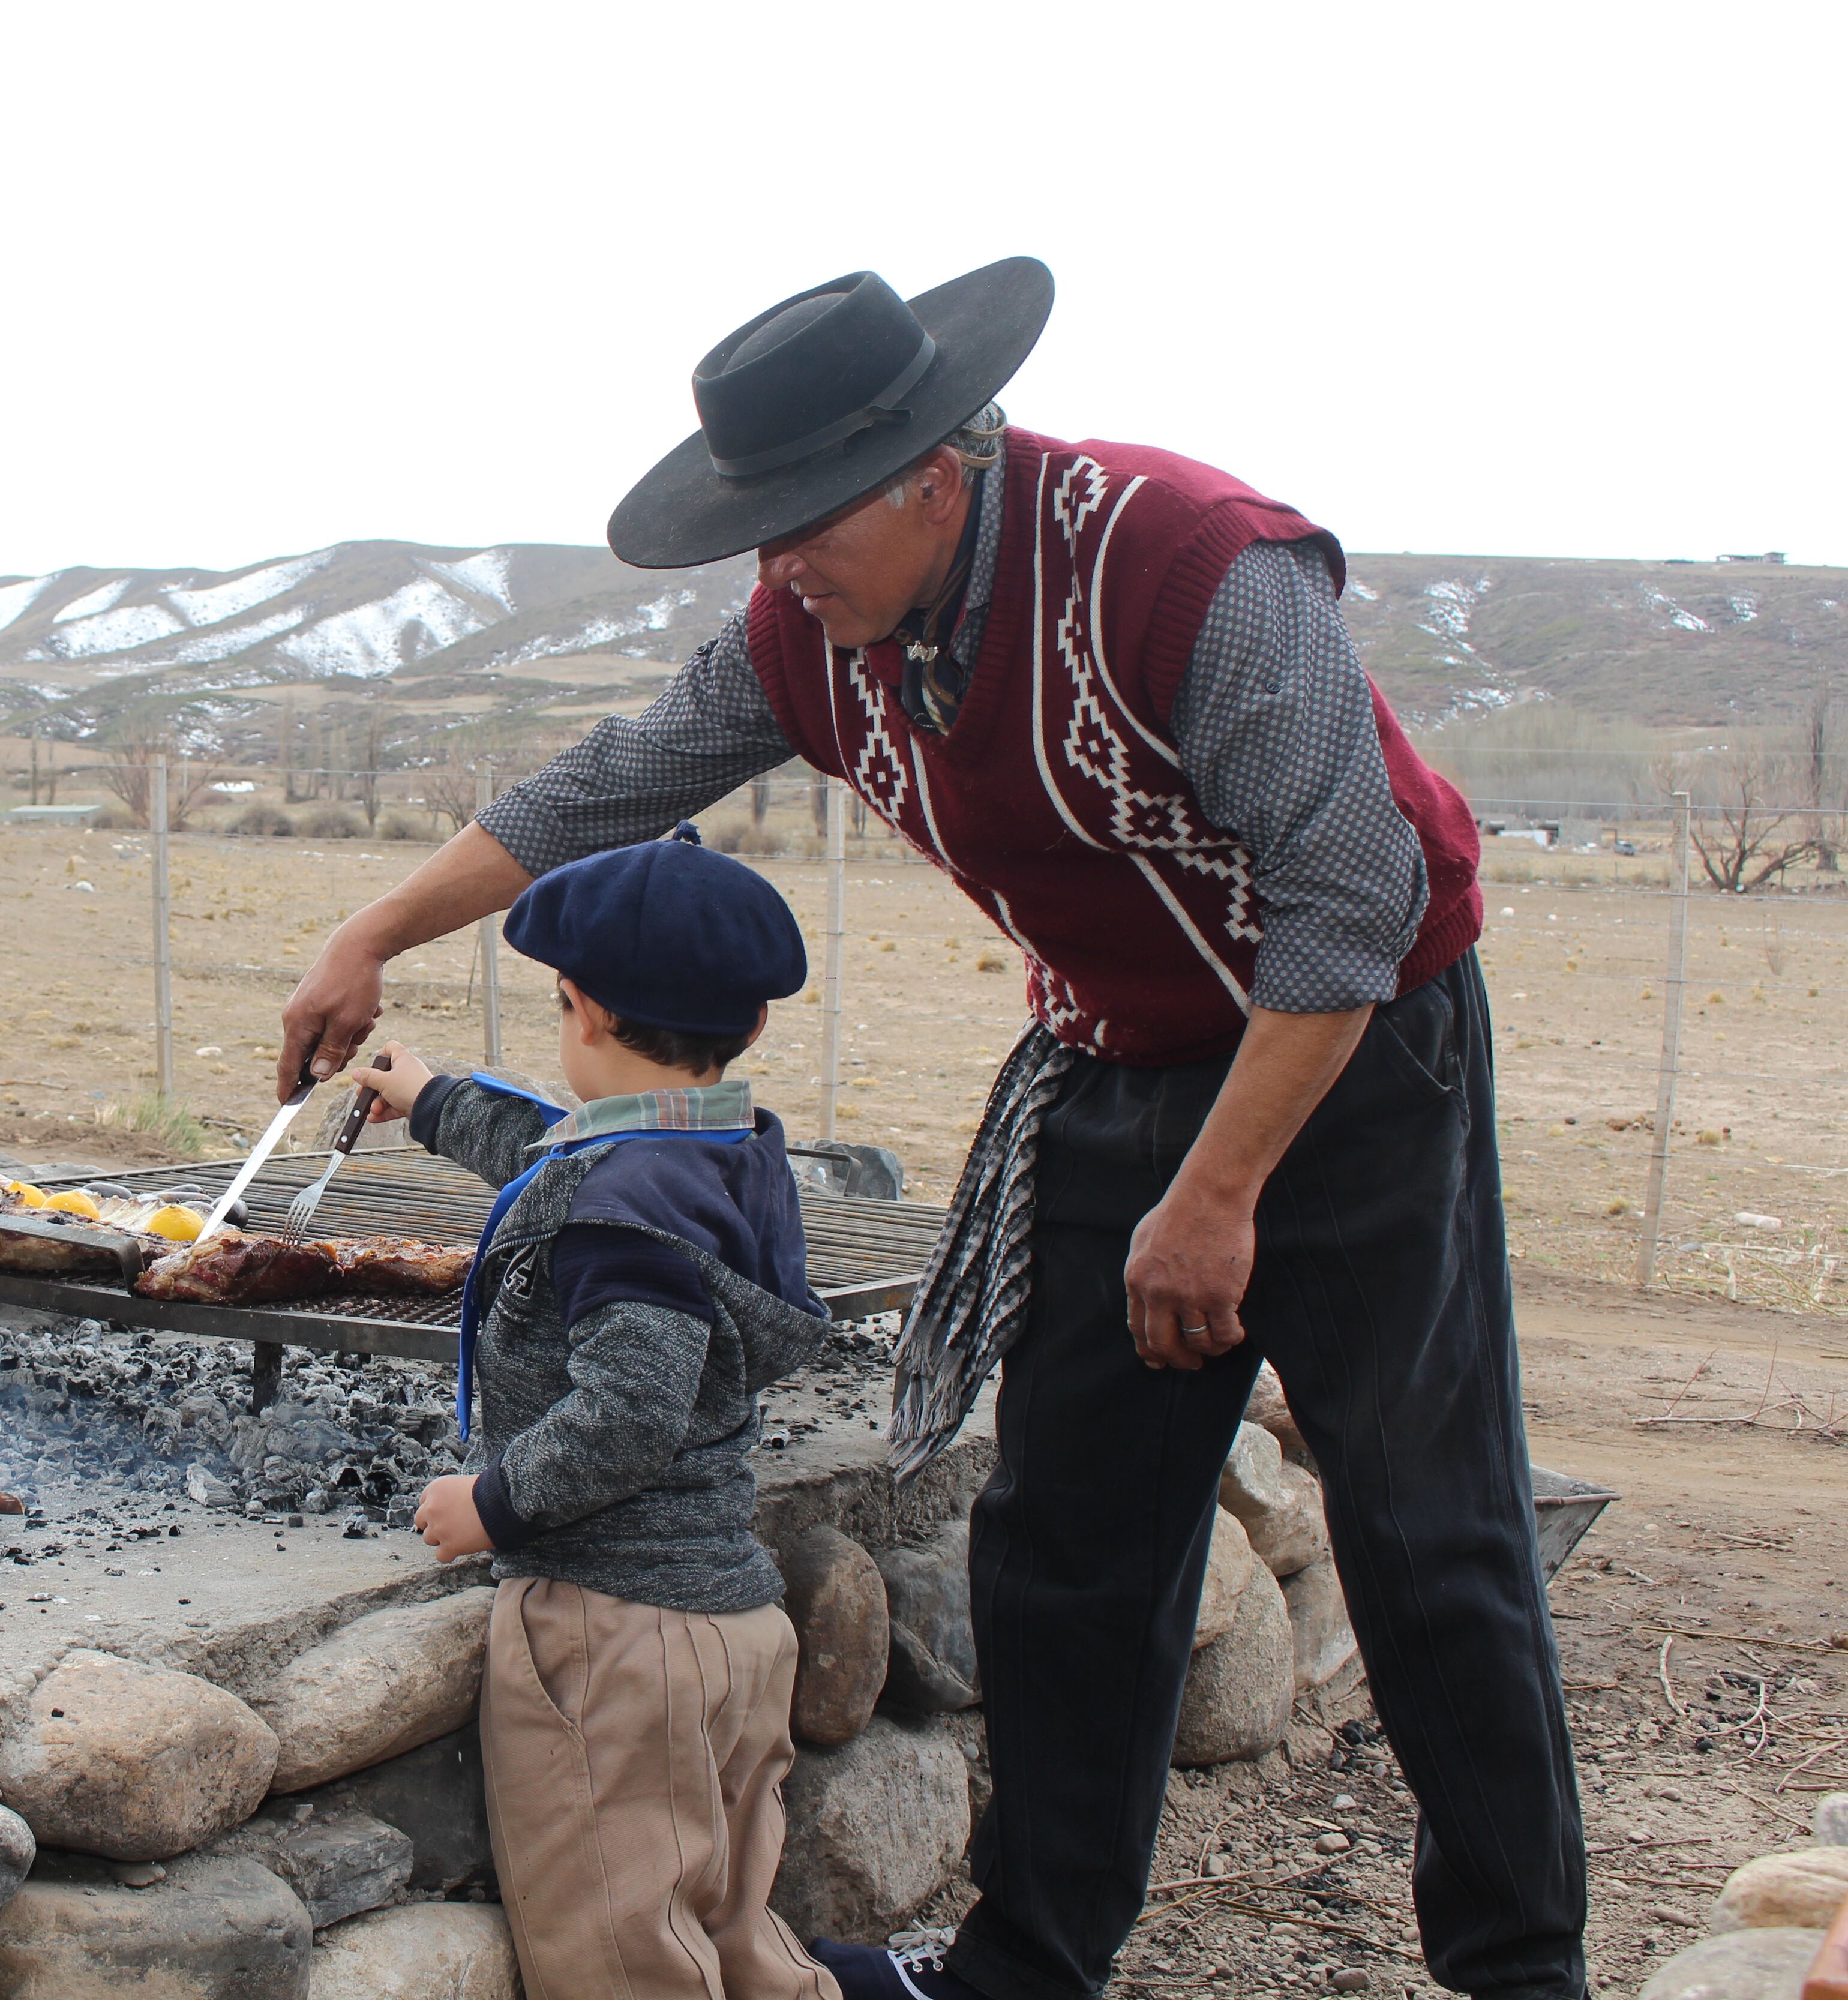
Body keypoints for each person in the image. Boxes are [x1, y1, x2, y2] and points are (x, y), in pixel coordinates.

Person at [283, 259, 1585, 2000]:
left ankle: (1522, 1968)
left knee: (1430, 1529)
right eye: (756, 531)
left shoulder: (1189, 566)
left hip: (1351, 1065)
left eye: (803, 520)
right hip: (1112, 1063)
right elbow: (612, 780)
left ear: (936, 472)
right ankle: (1030, 1966)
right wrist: (375, 931)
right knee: (1072, 1534)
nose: (779, 565)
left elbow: (1353, 896)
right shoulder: (807, 636)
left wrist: (1217, 1194)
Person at [357, 834, 842, 2000]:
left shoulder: (620, 1215)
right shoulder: (720, 1150)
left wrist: (493, 1499)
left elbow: (628, 1410)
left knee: (617, 1949)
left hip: (614, 1633)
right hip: (728, 1621)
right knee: (728, 1923)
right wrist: (431, 1099)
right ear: (752, 1028)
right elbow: (553, 1155)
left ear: (577, 1008)